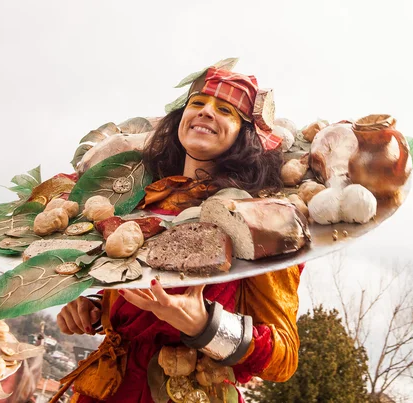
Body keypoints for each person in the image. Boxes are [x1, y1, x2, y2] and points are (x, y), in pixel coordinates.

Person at [55, 66, 303, 402]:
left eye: (225, 109)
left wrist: (203, 325)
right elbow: (136, 290)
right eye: (197, 102)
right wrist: (94, 308)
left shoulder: (260, 220)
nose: (206, 111)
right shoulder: (135, 203)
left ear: (245, 136)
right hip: (108, 390)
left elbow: (283, 358)